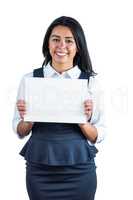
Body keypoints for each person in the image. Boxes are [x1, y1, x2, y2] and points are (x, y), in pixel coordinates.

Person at [13, 16, 106, 200]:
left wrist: (83, 121)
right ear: (48, 43)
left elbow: (99, 135)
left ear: (77, 46)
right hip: (40, 171)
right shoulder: (30, 80)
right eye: (55, 39)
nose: (61, 46)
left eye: (69, 41)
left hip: (79, 170)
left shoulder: (90, 83)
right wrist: (28, 118)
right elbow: (20, 131)